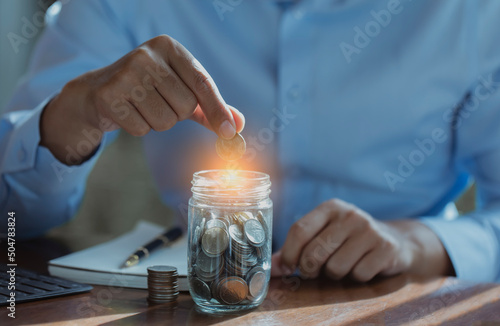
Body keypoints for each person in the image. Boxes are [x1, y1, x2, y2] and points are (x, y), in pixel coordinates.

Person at [1, 0, 500, 283]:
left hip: (397, 298)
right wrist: (76, 113)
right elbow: (10, 215)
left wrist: (418, 242)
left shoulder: (476, 15)